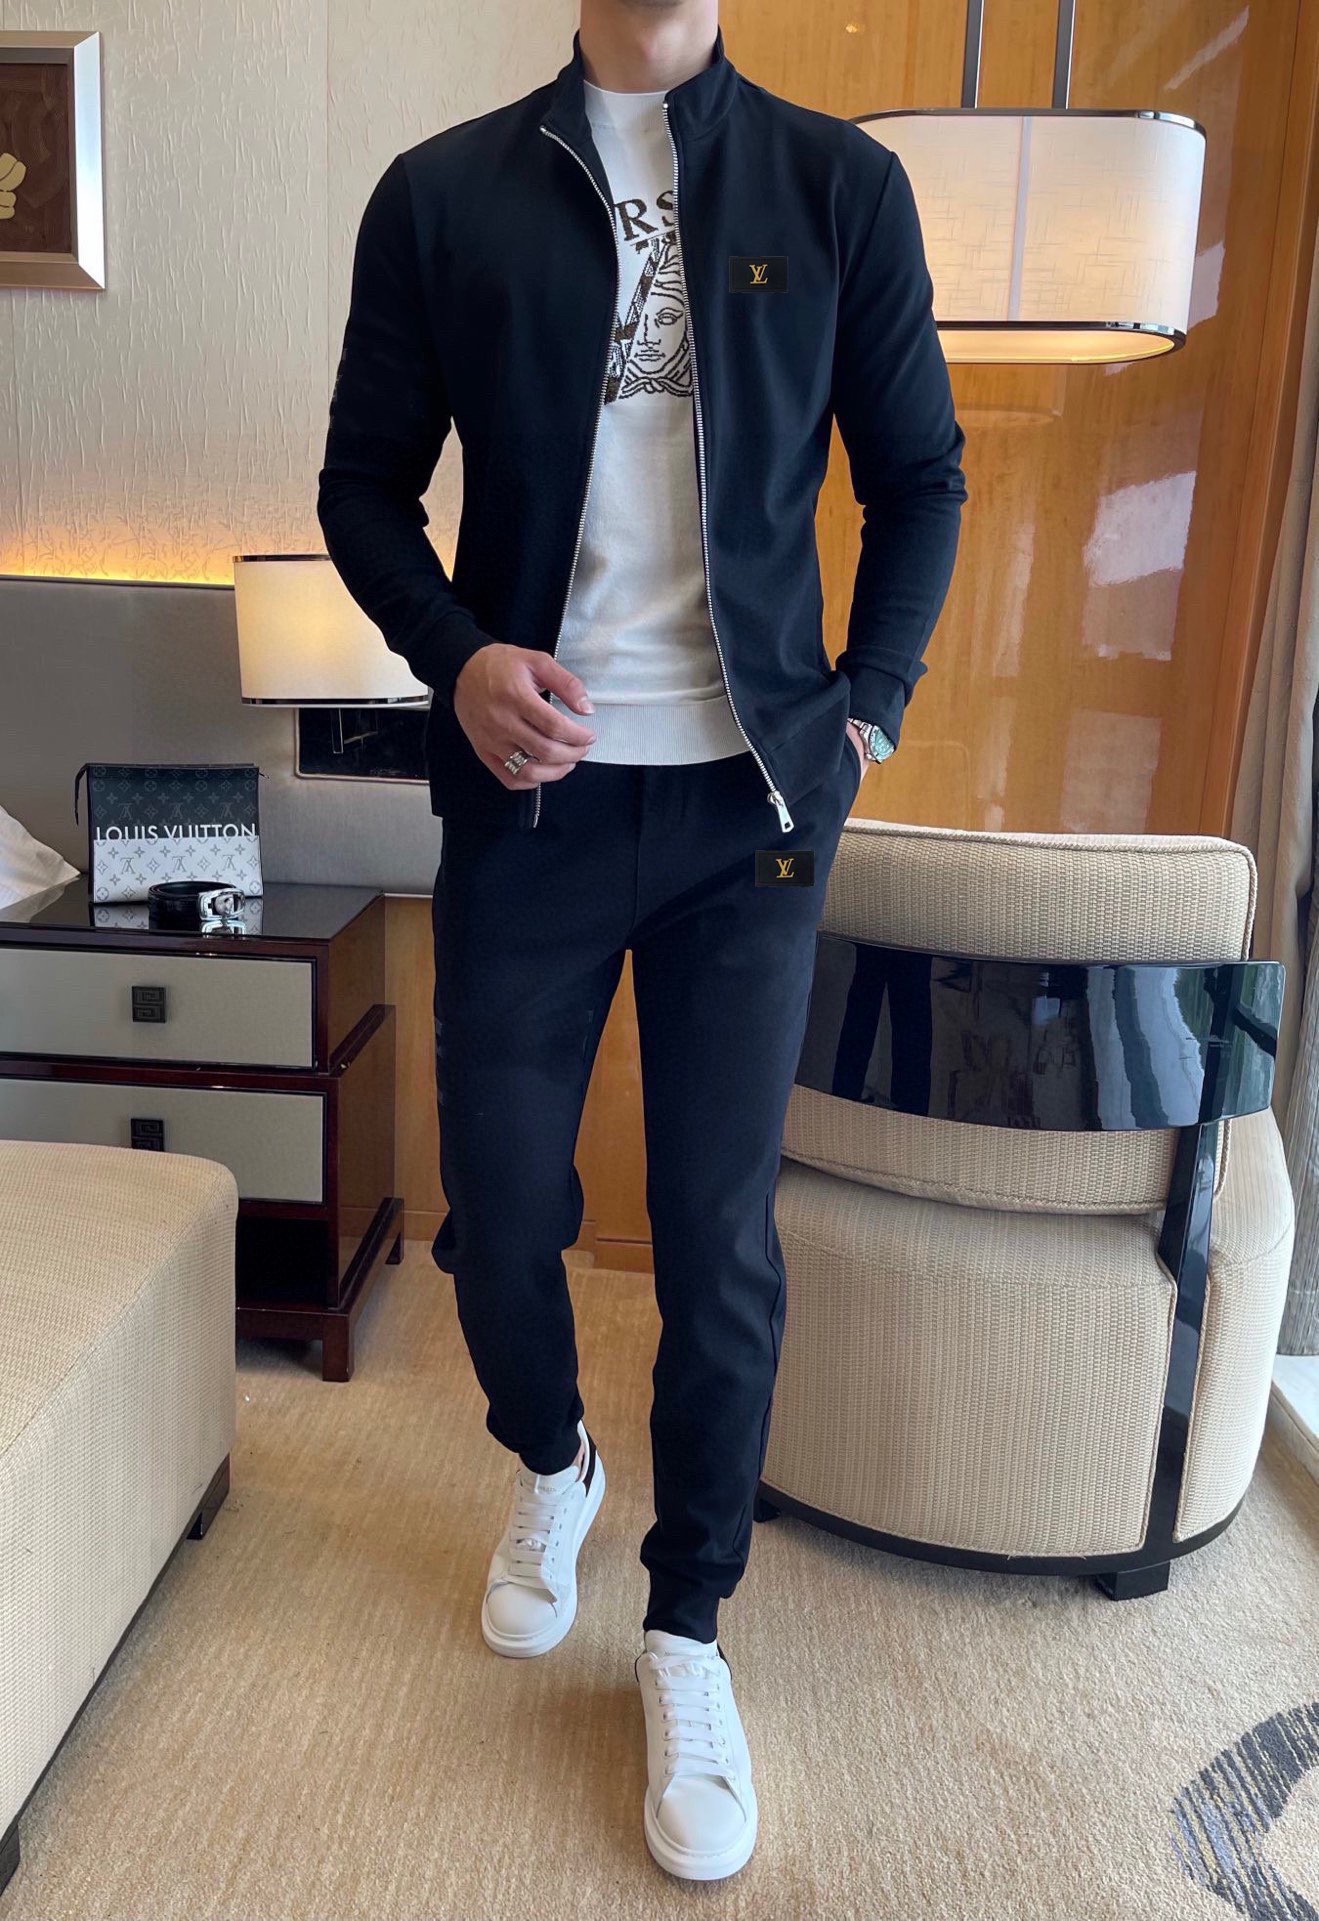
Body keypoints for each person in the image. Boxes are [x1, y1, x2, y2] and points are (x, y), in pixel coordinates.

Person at [317, 0, 966, 1883]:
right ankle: (554, 1460)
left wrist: (868, 705)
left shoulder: (842, 187)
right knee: (502, 1203)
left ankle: (688, 1624)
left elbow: (919, 475)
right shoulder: (441, 194)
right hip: (529, 804)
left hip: (747, 814)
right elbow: (363, 488)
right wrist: (460, 661)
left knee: (716, 1235)